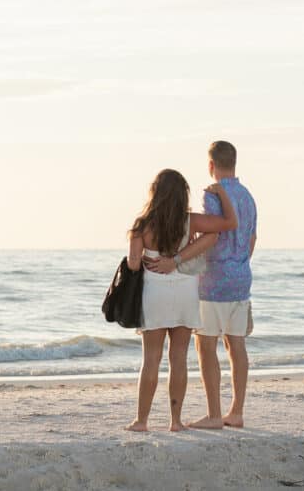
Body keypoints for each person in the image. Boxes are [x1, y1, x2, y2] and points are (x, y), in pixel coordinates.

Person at [147, 141, 257, 429]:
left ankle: (214, 414)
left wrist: (181, 259)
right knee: (237, 347)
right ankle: (237, 411)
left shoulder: (212, 195)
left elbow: (214, 235)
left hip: (213, 281)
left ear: (211, 166)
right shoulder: (248, 197)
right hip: (241, 280)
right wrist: (239, 264)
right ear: (234, 162)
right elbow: (252, 239)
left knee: (206, 347)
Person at [124, 168, 238, 432]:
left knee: (151, 359)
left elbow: (132, 265)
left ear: (155, 193)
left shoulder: (141, 225)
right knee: (178, 359)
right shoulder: (190, 221)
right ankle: (175, 421)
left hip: (155, 293)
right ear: (181, 194)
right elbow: (228, 224)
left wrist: (141, 254)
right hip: (185, 291)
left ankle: (141, 421)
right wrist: (221, 192)